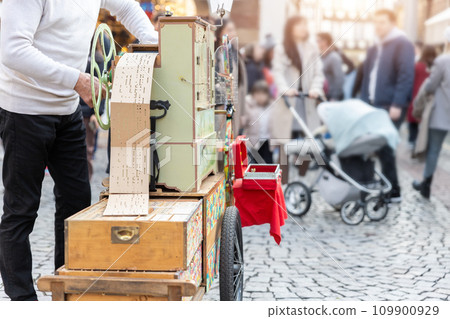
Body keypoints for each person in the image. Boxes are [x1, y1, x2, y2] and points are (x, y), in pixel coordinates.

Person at [0, 0, 158, 301]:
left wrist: (153, 43)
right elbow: (12, 51)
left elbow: (126, 7)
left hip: (68, 108)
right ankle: (22, 300)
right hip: (24, 110)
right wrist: (77, 79)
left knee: (76, 204)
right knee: (21, 210)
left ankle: (68, 288)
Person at [360, 9, 415, 203]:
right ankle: (379, 185)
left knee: (385, 146)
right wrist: (363, 101)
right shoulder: (374, 47)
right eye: (375, 22)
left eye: (382, 22)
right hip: (372, 104)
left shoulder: (402, 44)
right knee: (373, 145)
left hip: (391, 105)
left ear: (392, 23)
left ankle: (393, 191)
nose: (378, 26)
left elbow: (406, 75)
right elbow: (367, 77)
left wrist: (398, 103)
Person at [271, 15, 324, 183]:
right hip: (287, 101)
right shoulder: (282, 48)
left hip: (306, 100)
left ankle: (301, 179)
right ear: (291, 27)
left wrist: (315, 89)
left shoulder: (312, 47)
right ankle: (283, 181)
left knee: (309, 139)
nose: (303, 28)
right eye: (299, 24)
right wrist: (285, 89)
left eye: (304, 24)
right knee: (283, 142)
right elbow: (277, 72)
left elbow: (318, 73)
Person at [412, 28, 450, 199]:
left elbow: (430, 86)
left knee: (434, 149)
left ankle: (425, 184)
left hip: (441, 112)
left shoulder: (443, 60)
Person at [214, 19, 248, 137]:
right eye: (229, 30)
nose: (233, 33)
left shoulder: (235, 53)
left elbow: (242, 84)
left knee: (232, 141)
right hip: (220, 105)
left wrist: (243, 112)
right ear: (219, 32)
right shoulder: (215, 53)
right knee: (220, 139)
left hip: (235, 104)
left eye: (234, 30)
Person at [407, 45, 437, 151]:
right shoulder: (435, 68)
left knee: (413, 121)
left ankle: (412, 142)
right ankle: (423, 145)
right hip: (430, 99)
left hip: (415, 96)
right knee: (425, 124)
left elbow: (410, 82)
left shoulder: (416, 66)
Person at [242, 81, 273, 164]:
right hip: (252, 142)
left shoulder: (271, 106)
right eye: (257, 93)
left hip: (267, 141)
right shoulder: (248, 105)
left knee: (267, 164)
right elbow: (243, 122)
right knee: (253, 165)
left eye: (263, 94)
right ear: (253, 94)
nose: (260, 97)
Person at [316, 32, 345, 101]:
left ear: (325, 41)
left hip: (331, 98)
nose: (316, 43)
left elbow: (339, 79)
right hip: (323, 96)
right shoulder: (321, 57)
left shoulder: (334, 57)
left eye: (318, 40)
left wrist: (334, 98)